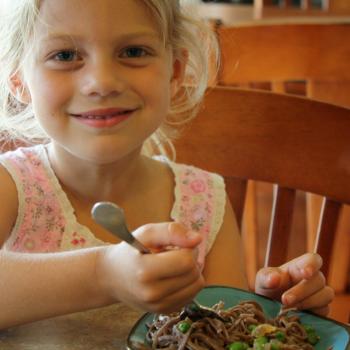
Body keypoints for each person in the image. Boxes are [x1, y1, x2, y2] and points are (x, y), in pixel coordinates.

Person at [0, 0, 334, 330]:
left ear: (174, 71)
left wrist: (266, 313)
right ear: (19, 80)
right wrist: (104, 274)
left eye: (133, 52)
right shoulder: (12, 185)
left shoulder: (203, 200)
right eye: (65, 55)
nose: (101, 83)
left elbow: (221, 327)